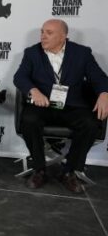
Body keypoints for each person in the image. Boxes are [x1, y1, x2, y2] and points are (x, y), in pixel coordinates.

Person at [13, 19, 108, 193]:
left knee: (90, 123)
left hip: (72, 106)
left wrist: (104, 93)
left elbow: (99, 77)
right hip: (43, 105)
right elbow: (20, 77)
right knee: (29, 119)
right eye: (42, 32)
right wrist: (34, 91)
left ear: (63, 36)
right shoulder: (32, 53)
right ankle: (39, 169)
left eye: (49, 33)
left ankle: (69, 171)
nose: (43, 36)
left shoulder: (82, 53)